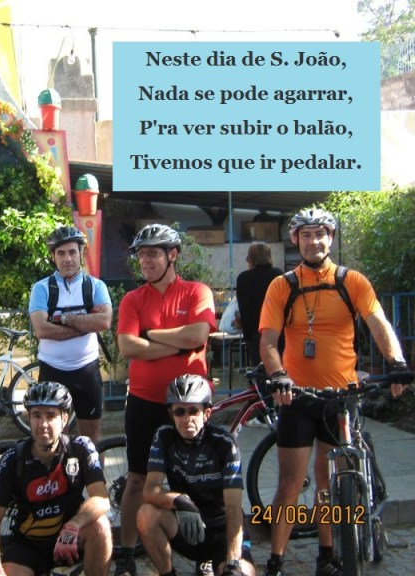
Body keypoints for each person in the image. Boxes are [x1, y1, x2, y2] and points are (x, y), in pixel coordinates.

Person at [259, 207, 412, 576]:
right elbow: (268, 341)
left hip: (341, 398)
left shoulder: (351, 281)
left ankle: (327, 554)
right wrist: (278, 375)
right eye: (306, 235)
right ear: (296, 241)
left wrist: (397, 362)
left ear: (330, 238)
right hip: (297, 396)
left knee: (328, 482)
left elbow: (378, 322)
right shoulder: (282, 286)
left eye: (321, 234)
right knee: (290, 484)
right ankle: (276, 559)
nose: (314, 241)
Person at [115, 224, 217, 576]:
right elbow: (128, 346)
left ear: (173, 255)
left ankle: (207, 552)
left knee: (199, 479)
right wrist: (179, 346)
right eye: (142, 254)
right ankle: (126, 553)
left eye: (153, 254)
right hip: (144, 401)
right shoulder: (133, 299)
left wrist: (152, 335)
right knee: (137, 479)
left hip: (190, 405)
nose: (145, 260)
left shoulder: (197, 291)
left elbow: (198, 334)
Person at [0, 381, 112, 576]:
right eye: (36, 415)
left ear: (64, 418)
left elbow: (101, 499)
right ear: (29, 418)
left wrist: (73, 526)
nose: (43, 424)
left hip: (70, 537)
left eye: (50, 416)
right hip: (28, 546)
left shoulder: (80, 448)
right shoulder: (12, 459)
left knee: (101, 525)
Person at [137, 374, 257, 576]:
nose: (186, 419)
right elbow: (149, 490)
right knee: (146, 514)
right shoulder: (164, 436)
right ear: (171, 414)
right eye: (179, 411)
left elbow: (234, 508)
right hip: (188, 528)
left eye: (193, 411)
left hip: (223, 531)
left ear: (207, 413)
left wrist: (233, 562)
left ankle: (220, 564)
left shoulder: (225, 443)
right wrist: (179, 500)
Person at [28, 225, 113, 443]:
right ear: (53, 257)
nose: (67, 259)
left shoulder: (96, 286)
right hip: (52, 370)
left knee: (92, 439)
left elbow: (104, 321)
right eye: (61, 253)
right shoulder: (41, 289)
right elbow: (42, 330)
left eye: (72, 252)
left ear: (81, 254)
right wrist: (86, 323)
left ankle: (91, 468)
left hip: (87, 371)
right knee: (55, 439)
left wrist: (63, 318)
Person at [235, 242, 282, 366]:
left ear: (250, 259)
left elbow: (244, 308)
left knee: (259, 370)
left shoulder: (244, 278)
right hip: (277, 332)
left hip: (254, 333)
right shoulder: (278, 275)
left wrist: (247, 335)